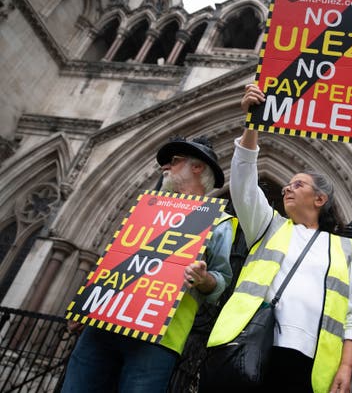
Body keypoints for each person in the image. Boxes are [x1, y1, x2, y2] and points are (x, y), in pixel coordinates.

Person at [205, 84, 352, 393]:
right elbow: (243, 184)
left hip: (308, 362)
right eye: (287, 184)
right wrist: (251, 124)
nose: (286, 188)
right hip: (251, 344)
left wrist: (346, 366)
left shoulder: (344, 250)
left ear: (320, 199)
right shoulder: (269, 226)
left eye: (298, 184)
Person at [61, 136, 235, 393]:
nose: (165, 166)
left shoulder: (219, 222)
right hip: (104, 325)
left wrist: (204, 279)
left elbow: (221, 281)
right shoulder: (147, 210)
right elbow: (116, 261)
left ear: (197, 167)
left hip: (158, 338)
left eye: (174, 161)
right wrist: (87, 306)